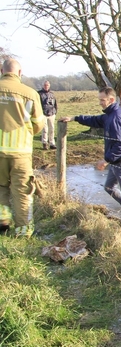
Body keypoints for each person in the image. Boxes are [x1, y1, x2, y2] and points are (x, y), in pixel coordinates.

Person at [59, 87, 121, 234]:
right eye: (99, 100)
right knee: (109, 188)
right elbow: (95, 120)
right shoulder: (108, 115)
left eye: (102, 100)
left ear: (111, 100)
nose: (100, 103)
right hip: (115, 161)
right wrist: (74, 118)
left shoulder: (116, 117)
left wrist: (106, 160)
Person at [0, 59, 46, 237]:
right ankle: (23, 231)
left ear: (2, 70)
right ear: (20, 73)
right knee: (23, 192)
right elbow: (39, 123)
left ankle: (3, 221)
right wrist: (27, 133)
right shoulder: (30, 93)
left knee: (0, 187)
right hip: (21, 151)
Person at [38, 80, 57, 150]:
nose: (46, 86)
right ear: (43, 86)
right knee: (45, 129)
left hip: (52, 113)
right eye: (45, 85)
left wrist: (55, 112)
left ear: (49, 86)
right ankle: (45, 143)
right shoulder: (39, 94)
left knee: (52, 129)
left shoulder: (52, 94)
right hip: (43, 113)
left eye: (47, 85)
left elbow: (55, 103)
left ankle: (52, 143)